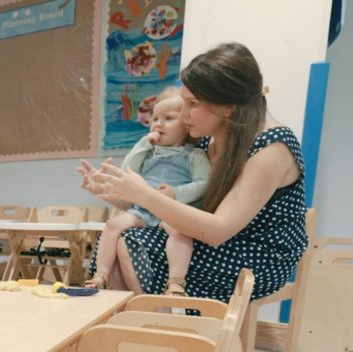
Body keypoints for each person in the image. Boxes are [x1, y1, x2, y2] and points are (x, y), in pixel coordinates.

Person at [81, 42, 308, 303]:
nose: (183, 113)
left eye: (192, 103)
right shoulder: (203, 141)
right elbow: (162, 207)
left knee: (133, 242)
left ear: (228, 106)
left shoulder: (272, 147)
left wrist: (145, 195)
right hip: (202, 239)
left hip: (256, 255)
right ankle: (137, 329)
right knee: (118, 235)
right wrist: (112, 190)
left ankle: (160, 330)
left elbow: (217, 230)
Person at [81, 87, 210, 296]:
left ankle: (176, 281)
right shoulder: (148, 152)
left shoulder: (194, 155)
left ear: (186, 125)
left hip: (172, 211)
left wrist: (175, 193)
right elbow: (128, 170)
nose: (159, 123)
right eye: (155, 118)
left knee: (179, 233)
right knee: (113, 224)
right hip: (143, 210)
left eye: (168, 118)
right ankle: (100, 275)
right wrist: (142, 143)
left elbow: (203, 184)